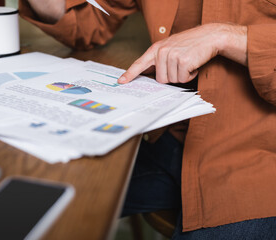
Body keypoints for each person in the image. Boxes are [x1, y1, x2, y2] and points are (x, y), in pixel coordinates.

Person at [19, 0, 276, 238]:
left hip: (257, 159)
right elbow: (90, 22)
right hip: (165, 138)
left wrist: (227, 36)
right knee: (20, 202)